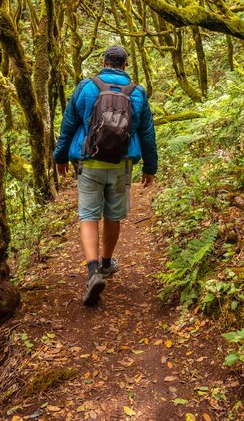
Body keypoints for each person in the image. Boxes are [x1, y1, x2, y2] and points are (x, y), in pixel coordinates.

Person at [53, 45, 158, 306]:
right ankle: (108, 262)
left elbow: (68, 125)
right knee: (113, 215)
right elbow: (146, 134)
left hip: (89, 163)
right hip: (121, 165)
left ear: (104, 62)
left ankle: (92, 271)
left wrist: (60, 156)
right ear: (125, 64)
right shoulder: (137, 93)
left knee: (88, 215)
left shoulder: (86, 87)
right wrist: (150, 167)